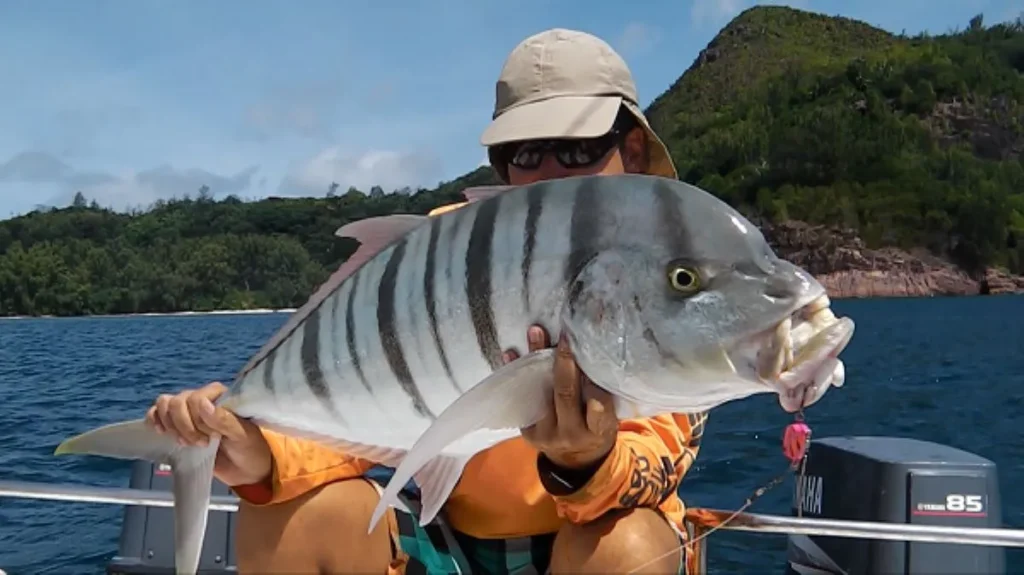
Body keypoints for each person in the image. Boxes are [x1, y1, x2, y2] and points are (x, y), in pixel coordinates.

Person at [146, 28, 708, 574]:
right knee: (301, 515)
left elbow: (655, 455)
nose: (550, 174)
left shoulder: (676, 269)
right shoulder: (442, 257)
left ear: (631, 151)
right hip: (453, 542)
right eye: (527, 151)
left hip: (585, 539)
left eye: (577, 148)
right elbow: (374, 399)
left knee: (626, 546)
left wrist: (586, 459)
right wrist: (261, 453)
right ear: (501, 165)